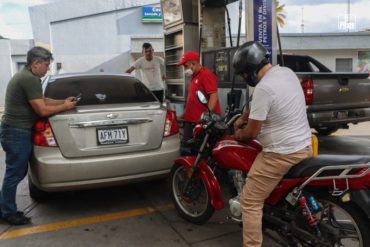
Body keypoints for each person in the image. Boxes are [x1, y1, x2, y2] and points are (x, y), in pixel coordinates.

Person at [232, 41, 312, 247]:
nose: (243, 77)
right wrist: (244, 115)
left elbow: (251, 133)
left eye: (242, 73)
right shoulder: (286, 73)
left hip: (280, 154)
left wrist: (238, 133)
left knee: (249, 200)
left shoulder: (263, 89)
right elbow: (265, 107)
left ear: (249, 70)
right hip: (304, 145)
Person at [0, 46, 76, 225]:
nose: (48, 68)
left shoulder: (26, 76)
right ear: (36, 64)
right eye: (46, 65)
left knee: (16, 172)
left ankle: (4, 207)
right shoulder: (30, 79)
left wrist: (64, 101)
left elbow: (42, 100)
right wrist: (65, 107)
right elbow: (42, 110)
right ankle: (7, 213)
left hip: (13, 130)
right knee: (15, 173)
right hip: (16, 132)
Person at [176, 51, 221, 146]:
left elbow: (213, 96)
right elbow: (192, 101)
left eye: (185, 66)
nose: (184, 69)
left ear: (193, 63)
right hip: (191, 121)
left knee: (198, 151)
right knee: (187, 149)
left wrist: (207, 116)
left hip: (201, 123)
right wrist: (182, 116)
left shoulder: (206, 75)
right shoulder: (194, 77)